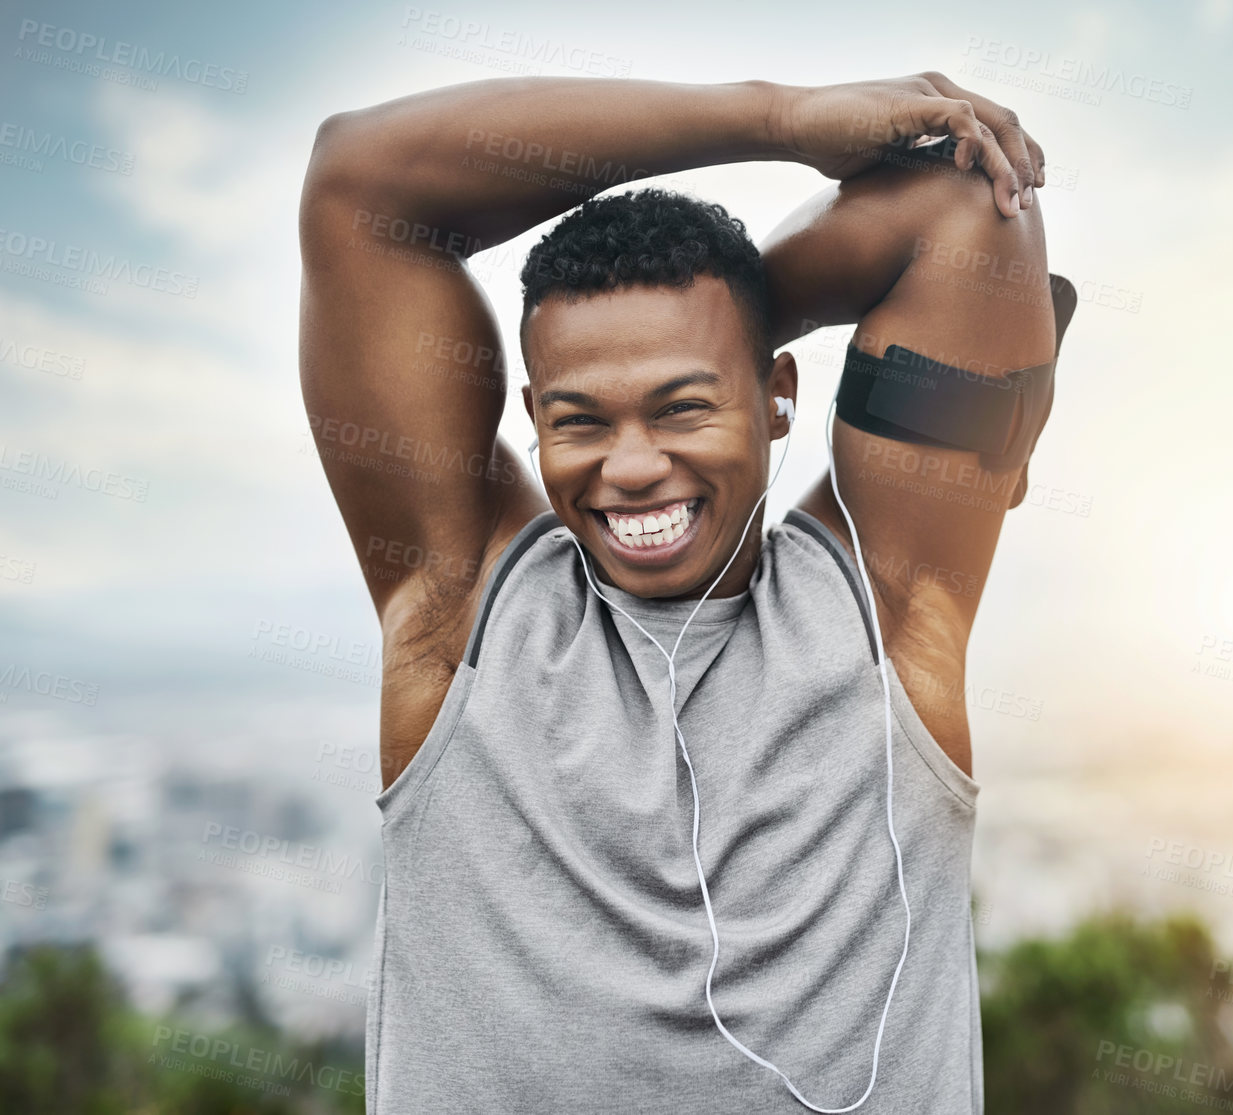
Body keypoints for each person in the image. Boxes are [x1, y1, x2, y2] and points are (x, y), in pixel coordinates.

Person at [298, 71, 1074, 1113]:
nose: (628, 467)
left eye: (682, 404)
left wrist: (730, 316)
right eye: (580, 418)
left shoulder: (889, 614)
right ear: (531, 413)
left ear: (779, 396)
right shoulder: (461, 612)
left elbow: (967, 203)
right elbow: (359, 183)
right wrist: (774, 121)